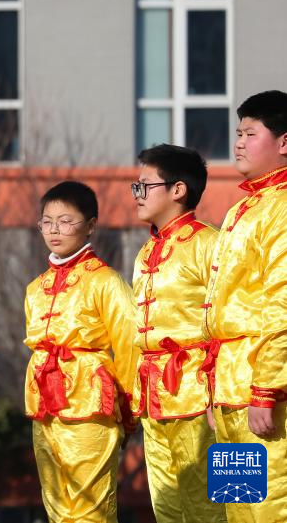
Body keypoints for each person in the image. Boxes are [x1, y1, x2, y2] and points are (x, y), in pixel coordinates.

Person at [24, 181, 137, 523]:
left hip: (90, 403)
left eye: (65, 221)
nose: (54, 230)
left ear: (90, 225)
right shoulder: (35, 288)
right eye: (47, 222)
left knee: (91, 506)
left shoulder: (106, 281)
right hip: (44, 406)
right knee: (55, 504)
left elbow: (129, 343)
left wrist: (129, 407)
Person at [129, 145, 226, 523]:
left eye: (145, 186)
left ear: (178, 189)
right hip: (154, 397)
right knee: (166, 505)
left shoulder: (209, 243)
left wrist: (219, 393)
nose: (137, 195)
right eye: (136, 187)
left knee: (216, 502)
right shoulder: (145, 252)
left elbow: (226, 319)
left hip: (200, 395)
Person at [204, 90, 287, 523]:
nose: (238, 143)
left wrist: (266, 390)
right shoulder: (242, 209)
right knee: (237, 509)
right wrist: (215, 391)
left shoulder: (282, 208)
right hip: (230, 391)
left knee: (269, 510)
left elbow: (282, 305)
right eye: (238, 133)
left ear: (284, 142)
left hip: (263, 393)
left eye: (250, 134)